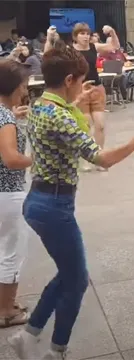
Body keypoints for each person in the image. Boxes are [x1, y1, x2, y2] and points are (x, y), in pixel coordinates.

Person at [7, 45, 134, 360]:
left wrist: (76, 101)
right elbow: (102, 158)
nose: (82, 87)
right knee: (77, 279)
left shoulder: (41, 105)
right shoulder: (60, 117)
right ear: (68, 79)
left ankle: (30, 335)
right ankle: (56, 349)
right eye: (80, 81)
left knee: (68, 272)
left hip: (40, 201)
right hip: (54, 207)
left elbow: (58, 119)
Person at [45, 23, 120, 172]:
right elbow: (48, 56)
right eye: (82, 33)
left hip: (96, 89)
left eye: (87, 33)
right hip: (79, 90)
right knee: (86, 126)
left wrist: (112, 32)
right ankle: (87, 157)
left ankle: (99, 158)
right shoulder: (69, 50)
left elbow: (114, 46)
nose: (85, 36)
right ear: (75, 36)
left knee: (100, 125)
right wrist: (49, 37)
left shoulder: (94, 47)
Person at [0, 60, 32, 328]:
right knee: (11, 251)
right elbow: (11, 159)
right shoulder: (4, 117)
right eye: (23, 84)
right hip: (8, 192)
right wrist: (37, 160)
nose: (25, 90)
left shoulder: (4, 114)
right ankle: (7, 311)